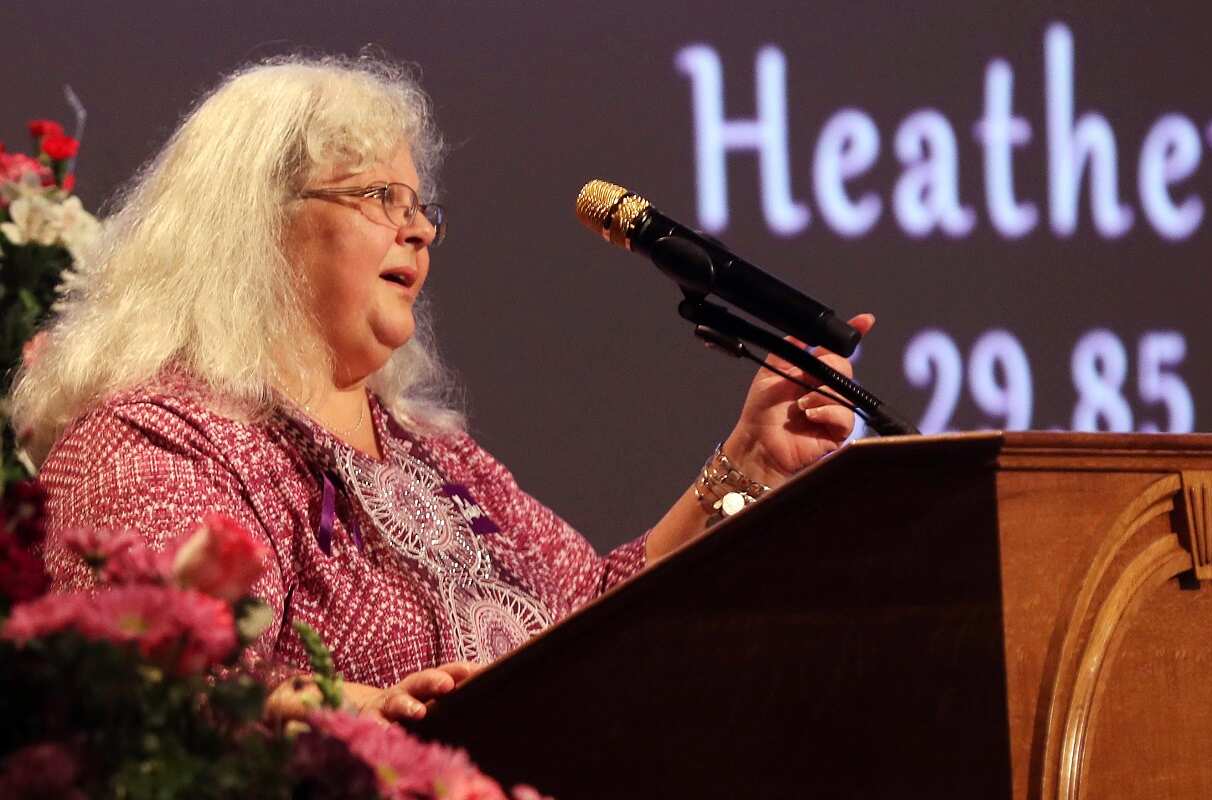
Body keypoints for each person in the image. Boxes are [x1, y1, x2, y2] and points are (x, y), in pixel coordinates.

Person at [9, 55, 870, 725]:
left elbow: (596, 623)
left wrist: (750, 462)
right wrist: (359, 721)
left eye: (421, 205)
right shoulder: (154, 442)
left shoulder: (435, 457)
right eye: (382, 197)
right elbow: (170, 696)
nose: (419, 229)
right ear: (257, 225)